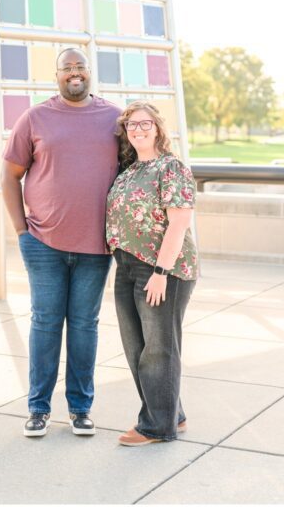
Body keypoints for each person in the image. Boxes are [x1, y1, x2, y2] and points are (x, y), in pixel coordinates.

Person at [1, 47, 120, 438]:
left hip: (96, 246)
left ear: (90, 73)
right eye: (67, 67)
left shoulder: (113, 118)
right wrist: (22, 233)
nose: (74, 72)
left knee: (85, 326)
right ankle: (38, 409)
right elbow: (9, 177)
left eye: (80, 66)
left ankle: (81, 409)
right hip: (43, 243)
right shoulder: (35, 117)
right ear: (56, 76)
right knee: (46, 324)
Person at [107, 101, 197, 446]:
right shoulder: (128, 171)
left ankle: (157, 426)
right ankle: (173, 413)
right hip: (126, 265)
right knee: (137, 348)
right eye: (131, 125)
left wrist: (161, 271)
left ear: (158, 128)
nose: (138, 130)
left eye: (145, 124)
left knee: (159, 349)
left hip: (163, 269)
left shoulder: (171, 168)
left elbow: (179, 223)